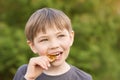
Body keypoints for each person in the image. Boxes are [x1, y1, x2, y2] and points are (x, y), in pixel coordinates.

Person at [13, 8, 92, 80]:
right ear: (33, 46)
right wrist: (29, 78)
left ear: (71, 38)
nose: (54, 45)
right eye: (44, 40)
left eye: (61, 36)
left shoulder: (83, 78)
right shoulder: (25, 73)